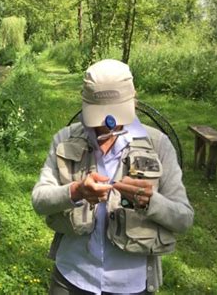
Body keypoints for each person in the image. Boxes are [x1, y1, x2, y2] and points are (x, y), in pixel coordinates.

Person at [32, 59, 193, 294]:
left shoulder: (158, 145)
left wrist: (150, 202)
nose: (108, 127)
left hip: (132, 285)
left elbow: (184, 218)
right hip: (70, 278)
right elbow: (39, 201)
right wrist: (76, 191)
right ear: (85, 104)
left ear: (134, 102)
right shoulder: (64, 140)